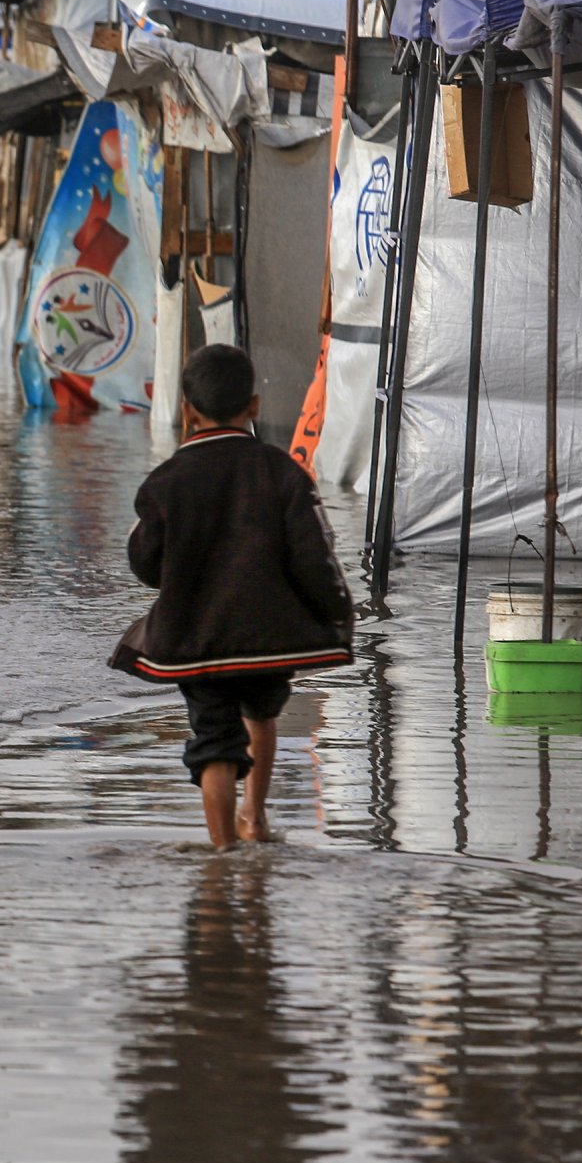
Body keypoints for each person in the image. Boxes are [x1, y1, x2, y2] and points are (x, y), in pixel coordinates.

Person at [109, 344, 355, 850]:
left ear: (186, 410)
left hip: (196, 635)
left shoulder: (166, 481)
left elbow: (144, 561)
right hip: (267, 635)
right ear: (255, 406)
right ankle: (255, 818)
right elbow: (315, 556)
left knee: (214, 742)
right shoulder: (283, 472)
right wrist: (336, 613)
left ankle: (222, 852)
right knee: (261, 715)